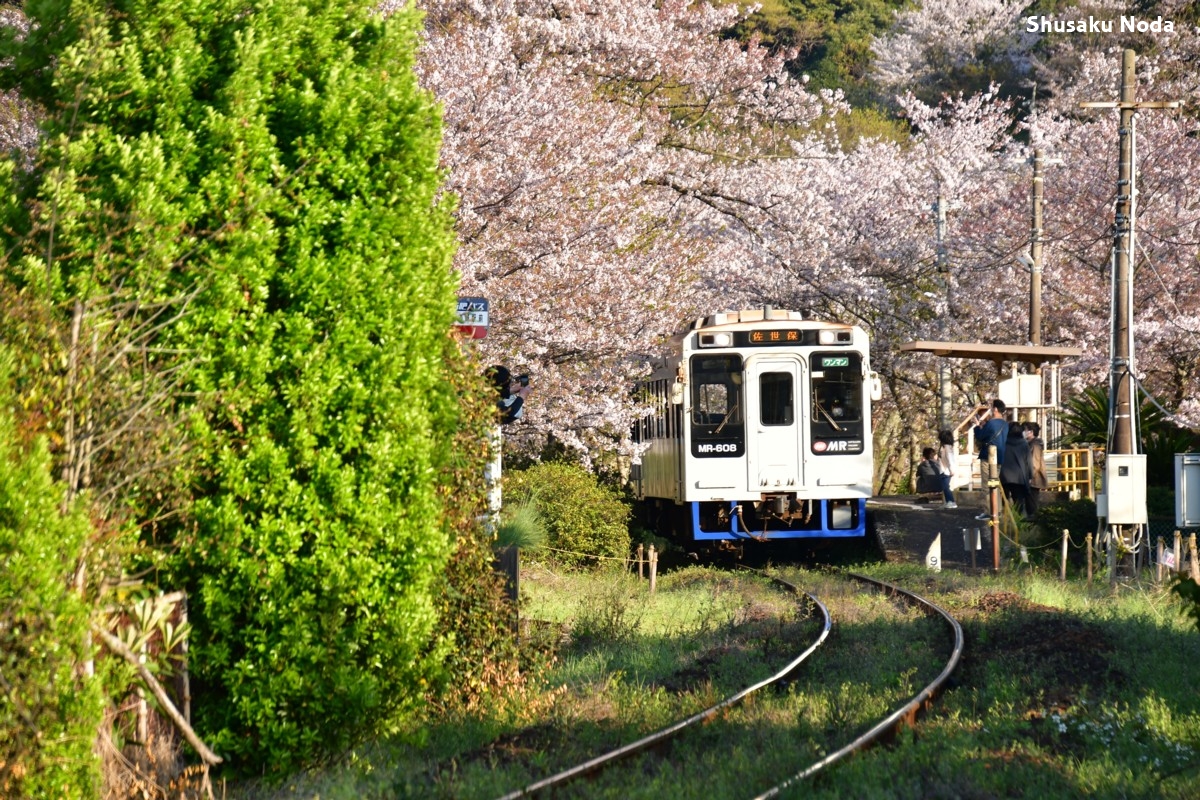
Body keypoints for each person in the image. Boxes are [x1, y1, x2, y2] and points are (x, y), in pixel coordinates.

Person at [973, 399, 1008, 521]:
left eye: (992, 408)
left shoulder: (991, 423)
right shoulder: (1005, 424)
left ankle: (988, 511)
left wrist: (977, 427)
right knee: (995, 484)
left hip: (988, 456)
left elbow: (981, 436)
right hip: (1000, 456)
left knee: (986, 484)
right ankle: (997, 511)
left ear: (996, 409)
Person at [1000, 421, 1033, 518]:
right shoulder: (1024, 444)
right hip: (1019, 477)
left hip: (1003, 476)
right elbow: (1029, 462)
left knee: (1004, 500)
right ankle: (1019, 520)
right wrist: (1030, 476)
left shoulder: (1003, 443)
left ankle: (1006, 518)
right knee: (1018, 501)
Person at [1023, 421, 1048, 517]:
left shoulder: (1035, 445)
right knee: (1029, 503)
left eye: (1025, 430)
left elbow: (1035, 463)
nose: (1024, 432)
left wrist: (1030, 476)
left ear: (1031, 432)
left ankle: (1033, 524)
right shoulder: (1031, 444)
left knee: (1032, 504)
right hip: (1031, 478)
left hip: (1033, 479)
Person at [937, 429, 958, 508]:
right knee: (944, 487)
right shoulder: (945, 447)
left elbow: (950, 459)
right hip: (943, 469)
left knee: (946, 487)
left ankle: (951, 501)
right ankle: (948, 501)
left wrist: (951, 469)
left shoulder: (947, 447)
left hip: (946, 470)